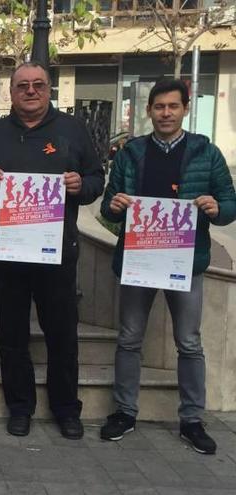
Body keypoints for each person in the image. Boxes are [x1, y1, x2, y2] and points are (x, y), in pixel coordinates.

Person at [0, 61, 104, 439]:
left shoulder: (72, 130)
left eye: (38, 85)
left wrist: (80, 184)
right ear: (11, 92)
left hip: (56, 251)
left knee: (61, 333)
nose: (30, 91)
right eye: (23, 85)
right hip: (9, 250)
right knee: (11, 333)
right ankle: (20, 406)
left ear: (48, 90)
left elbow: (97, 181)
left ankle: (66, 409)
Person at [99, 78, 236, 454]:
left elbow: (229, 202)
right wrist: (115, 206)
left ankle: (192, 419)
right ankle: (125, 412)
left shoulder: (205, 153)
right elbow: (108, 206)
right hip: (139, 259)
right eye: (158, 107)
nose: (165, 113)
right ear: (149, 111)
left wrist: (216, 208)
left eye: (173, 106)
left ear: (185, 108)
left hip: (184, 260)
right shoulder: (131, 153)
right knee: (129, 339)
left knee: (189, 342)